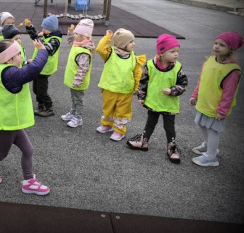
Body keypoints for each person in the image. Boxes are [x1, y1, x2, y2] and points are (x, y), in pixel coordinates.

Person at [0, 39, 51, 196]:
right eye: (18, 53)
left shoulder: (0, 69)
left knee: (28, 150)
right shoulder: (9, 73)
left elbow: (27, 69)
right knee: (2, 153)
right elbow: (34, 70)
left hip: (12, 121)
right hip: (6, 123)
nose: (20, 55)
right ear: (8, 58)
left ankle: (29, 181)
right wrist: (43, 51)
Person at [127, 34, 188, 164]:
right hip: (153, 102)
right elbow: (143, 82)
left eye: (177, 51)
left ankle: (171, 147)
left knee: (169, 127)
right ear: (161, 53)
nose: (176, 54)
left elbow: (183, 84)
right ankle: (144, 141)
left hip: (169, 104)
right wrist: (141, 96)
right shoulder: (150, 65)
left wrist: (173, 91)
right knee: (150, 123)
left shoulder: (177, 67)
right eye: (172, 51)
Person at [190, 31, 242, 167]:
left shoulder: (232, 70)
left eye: (222, 45)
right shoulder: (209, 60)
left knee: (213, 130)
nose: (217, 47)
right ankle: (209, 146)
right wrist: (195, 95)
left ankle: (211, 157)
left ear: (231, 49)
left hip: (216, 108)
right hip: (205, 103)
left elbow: (229, 93)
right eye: (216, 43)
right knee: (201, 124)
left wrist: (222, 111)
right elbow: (202, 80)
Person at [96, 28, 146, 141]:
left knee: (122, 111)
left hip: (125, 91)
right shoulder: (110, 54)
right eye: (131, 41)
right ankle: (107, 124)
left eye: (133, 41)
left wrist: (137, 86)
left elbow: (138, 73)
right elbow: (99, 49)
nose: (134, 44)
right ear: (123, 44)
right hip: (109, 88)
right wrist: (108, 38)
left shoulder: (134, 58)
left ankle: (119, 130)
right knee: (108, 108)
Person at [26, 15, 62, 117]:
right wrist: (29, 27)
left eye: (44, 28)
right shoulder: (46, 36)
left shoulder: (55, 40)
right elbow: (35, 36)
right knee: (35, 89)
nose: (42, 30)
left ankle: (49, 107)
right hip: (38, 66)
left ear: (50, 29)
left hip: (45, 68)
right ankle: (40, 105)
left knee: (42, 90)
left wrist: (40, 46)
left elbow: (48, 50)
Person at [61, 19, 95, 128]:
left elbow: (83, 69)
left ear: (84, 37)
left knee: (78, 99)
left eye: (76, 33)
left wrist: (77, 82)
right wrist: (71, 32)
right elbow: (71, 40)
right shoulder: (77, 44)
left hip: (77, 82)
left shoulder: (84, 52)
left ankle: (78, 117)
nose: (74, 35)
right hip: (73, 79)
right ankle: (73, 112)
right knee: (74, 98)